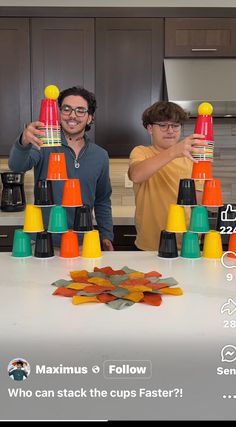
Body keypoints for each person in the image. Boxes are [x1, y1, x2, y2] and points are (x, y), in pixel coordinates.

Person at [8, 86, 114, 250]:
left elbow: (102, 200)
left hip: (82, 243)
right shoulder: (44, 144)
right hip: (43, 240)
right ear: (59, 113)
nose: (72, 115)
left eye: (80, 110)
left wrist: (107, 235)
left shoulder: (100, 155)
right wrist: (23, 141)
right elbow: (17, 166)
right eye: (66, 109)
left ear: (89, 118)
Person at [128, 101, 206, 251]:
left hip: (185, 244)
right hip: (149, 246)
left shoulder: (193, 158)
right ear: (150, 128)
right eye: (163, 125)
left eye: (175, 125)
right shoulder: (141, 152)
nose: (170, 130)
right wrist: (175, 151)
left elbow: (198, 202)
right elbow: (136, 175)